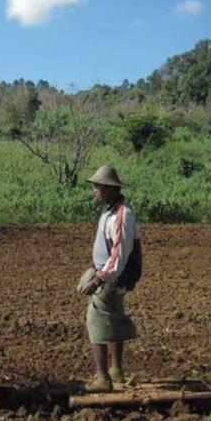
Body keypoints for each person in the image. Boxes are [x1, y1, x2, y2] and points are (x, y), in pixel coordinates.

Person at [77, 165, 141, 392]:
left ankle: (103, 378)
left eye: (98, 186)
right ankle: (116, 371)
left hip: (112, 278)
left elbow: (119, 254)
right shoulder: (111, 211)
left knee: (96, 322)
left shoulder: (122, 215)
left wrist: (99, 279)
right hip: (110, 275)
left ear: (111, 189)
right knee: (113, 320)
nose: (95, 190)